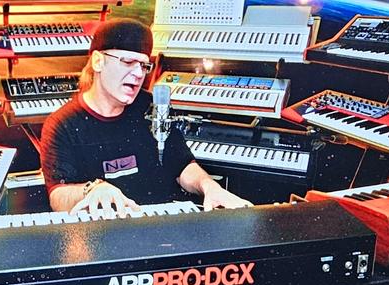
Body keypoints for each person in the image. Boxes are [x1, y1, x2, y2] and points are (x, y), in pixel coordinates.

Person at [40, 18, 251, 215]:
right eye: (128, 62)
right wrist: (92, 189)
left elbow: (182, 166)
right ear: (98, 61)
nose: (139, 74)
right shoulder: (62, 124)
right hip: (105, 231)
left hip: (160, 223)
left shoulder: (150, 107)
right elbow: (58, 197)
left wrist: (209, 186)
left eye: (143, 65)